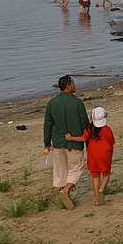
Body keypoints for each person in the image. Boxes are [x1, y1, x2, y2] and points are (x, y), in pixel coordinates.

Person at [43, 76, 88, 210]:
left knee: (61, 171)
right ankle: (66, 190)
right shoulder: (77, 103)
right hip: (74, 142)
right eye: (73, 83)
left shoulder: (52, 102)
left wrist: (47, 142)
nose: (75, 85)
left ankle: (65, 194)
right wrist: (88, 141)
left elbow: (47, 124)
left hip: (57, 142)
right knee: (76, 169)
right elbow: (85, 124)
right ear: (68, 85)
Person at [65, 106, 115, 206]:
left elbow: (83, 139)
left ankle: (96, 200)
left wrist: (70, 138)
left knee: (95, 177)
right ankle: (102, 188)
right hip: (105, 154)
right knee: (106, 174)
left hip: (93, 155)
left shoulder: (89, 129)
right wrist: (110, 156)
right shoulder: (107, 130)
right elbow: (111, 144)